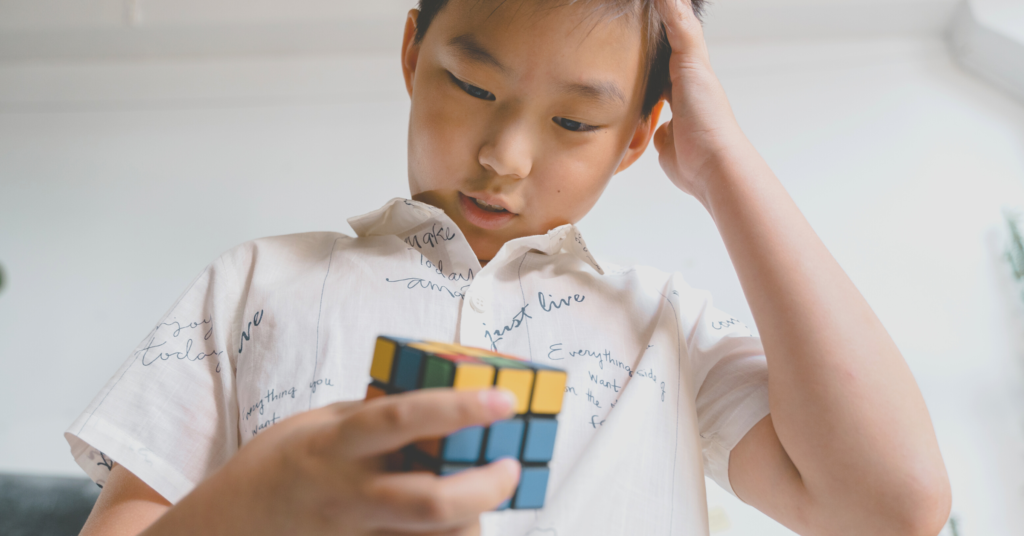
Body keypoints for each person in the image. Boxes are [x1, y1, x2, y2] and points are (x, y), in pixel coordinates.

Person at [68, 0, 952, 535]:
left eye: (574, 124)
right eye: (476, 88)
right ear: (414, 54)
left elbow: (894, 507)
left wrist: (724, 166)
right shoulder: (256, 284)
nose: (507, 157)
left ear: (640, 137)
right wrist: (259, 508)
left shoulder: (665, 328)